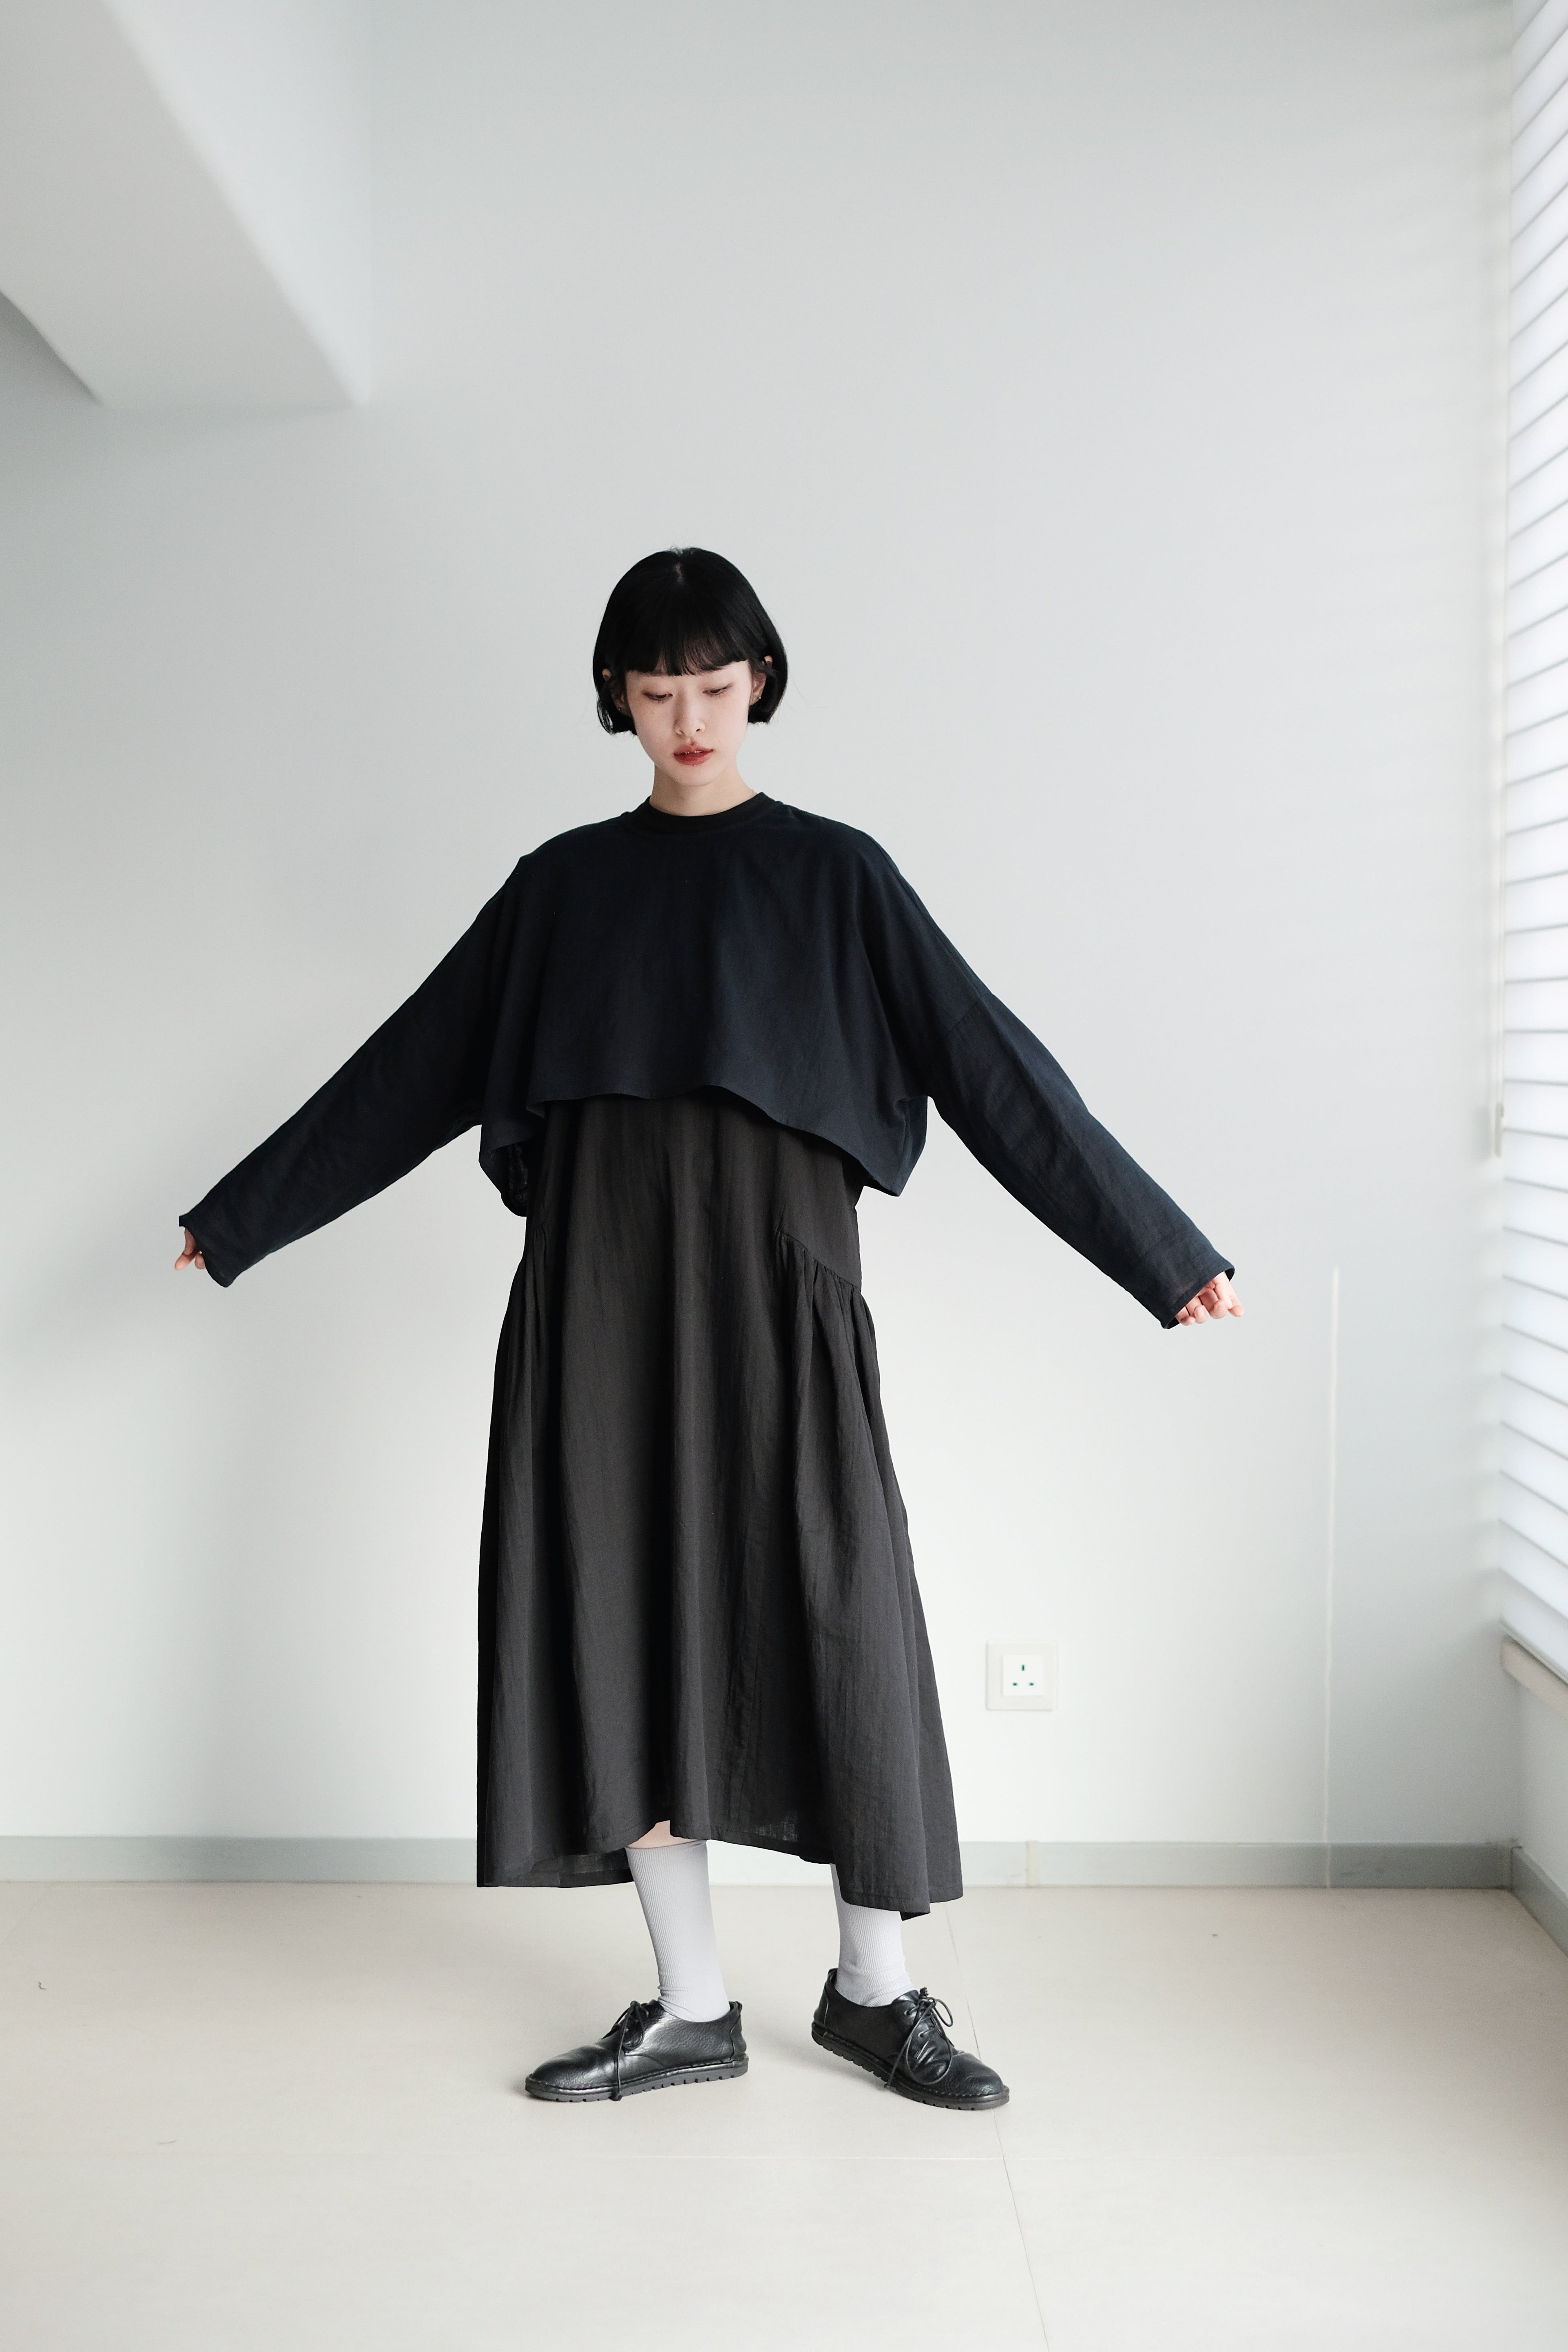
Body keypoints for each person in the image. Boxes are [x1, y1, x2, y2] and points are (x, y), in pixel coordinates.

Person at [177, 546, 1241, 2112]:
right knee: (619, 1622)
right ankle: (690, 2007)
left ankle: (875, 1992)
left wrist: (1156, 1247)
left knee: (840, 1618)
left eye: (717, 684)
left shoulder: (837, 877)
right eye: (659, 687)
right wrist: (243, 1215)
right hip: (597, 1305)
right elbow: (407, 1069)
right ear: (616, 696)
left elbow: (993, 1066)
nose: (690, 716)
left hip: (780, 1296)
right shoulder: (561, 890)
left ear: (761, 684)